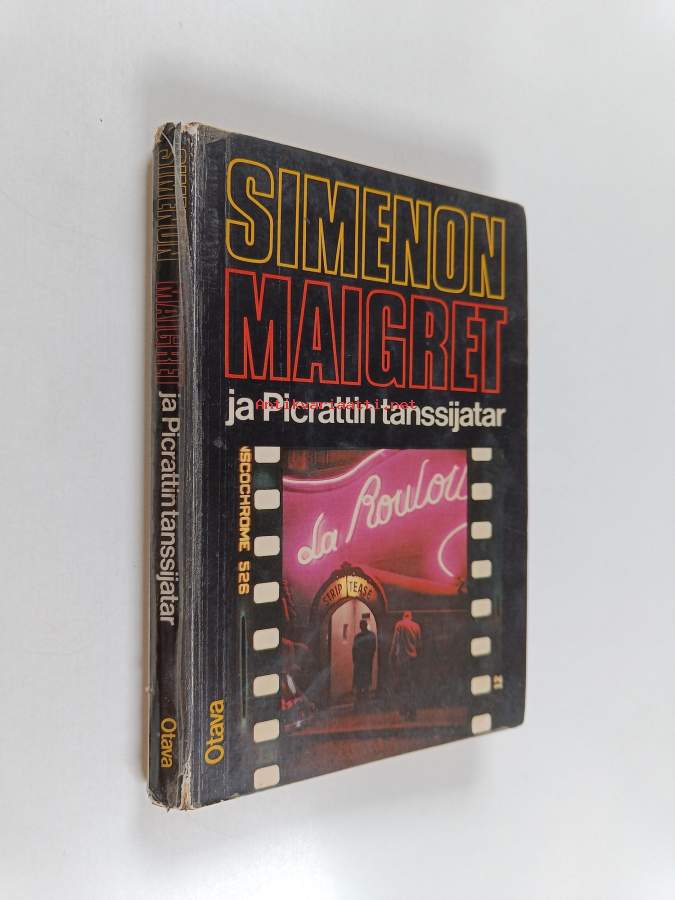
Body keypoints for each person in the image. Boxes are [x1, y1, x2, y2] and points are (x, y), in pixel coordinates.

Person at [389, 611, 422, 720]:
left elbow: (395, 641)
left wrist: (391, 655)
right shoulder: (416, 626)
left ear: (403, 616)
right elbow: (419, 644)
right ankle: (413, 711)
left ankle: (404, 710)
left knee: (403, 685)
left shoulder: (399, 625)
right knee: (412, 685)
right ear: (411, 617)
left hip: (402, 659)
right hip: (413, 659)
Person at [352, 619, 377, 709]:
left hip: (359, 662)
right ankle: (366, 700)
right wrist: (370, 657)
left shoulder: (357, 637)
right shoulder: (371, 635)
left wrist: (354, 660)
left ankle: (359, 701)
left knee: (359, 682)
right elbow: (373, 648)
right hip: (367, 661)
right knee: (366, 681)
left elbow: (354, 649)